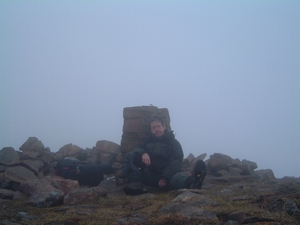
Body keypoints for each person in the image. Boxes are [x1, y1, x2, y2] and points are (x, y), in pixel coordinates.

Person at [123, 116, 206, 195]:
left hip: (168, 176)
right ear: (151, 130)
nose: (156, 129)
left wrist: (164, 177)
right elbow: (136, 149)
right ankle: (136, 185)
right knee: (129, 156)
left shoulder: (174, 143)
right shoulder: (147, 141)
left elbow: (177, 160)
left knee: (178, 178)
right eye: (153, 127)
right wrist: (143, 153)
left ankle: (193, 182)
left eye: (158, 126)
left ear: (164, 127)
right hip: (149, 174)